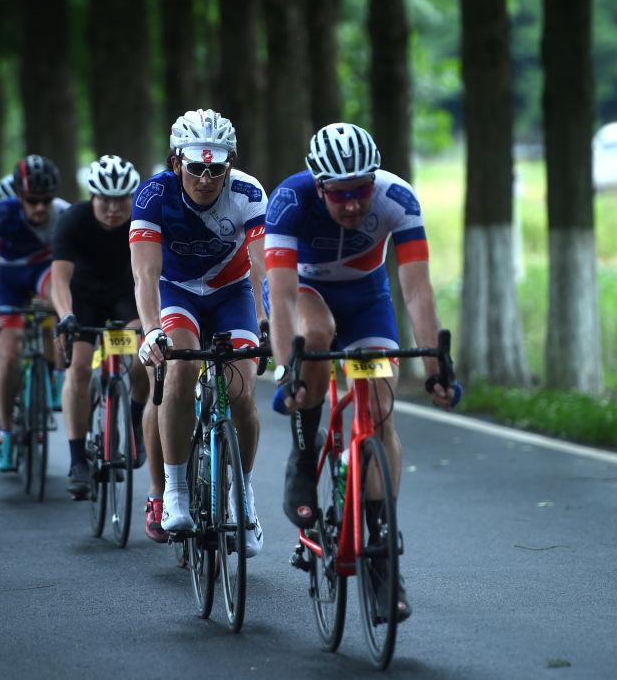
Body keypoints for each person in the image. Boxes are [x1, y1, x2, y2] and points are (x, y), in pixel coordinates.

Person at [264, 122, 460, 620]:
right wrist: (288, 369)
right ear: (319, 186)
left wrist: (436, 369)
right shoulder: (289, 200)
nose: (353, 205)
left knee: (380, 409)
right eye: (340, 194)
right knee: (317, 332)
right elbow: (281, 297)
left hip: (367, 299)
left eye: (361, 191)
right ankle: (304, 457)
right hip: (306, 292)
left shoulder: (398, 199)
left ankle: (381, 549)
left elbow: (417, 291)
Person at [131, 109, 268, 557]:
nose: (206, 179)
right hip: (177, 292)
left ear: (230, 165)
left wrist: (267, 323)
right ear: (176, 162)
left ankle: (243, 498)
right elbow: (145, 275)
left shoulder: (248, 193)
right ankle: (174, 490)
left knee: (242, 390)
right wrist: (152, 331)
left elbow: (263, 269)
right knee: (179, 369)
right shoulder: (153, 195)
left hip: (232, 294)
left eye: (216, 169)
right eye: (195, 167)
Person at [50, 155, 162, 517]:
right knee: (80, 368)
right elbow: (59, 279)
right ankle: (77, 461)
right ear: (91, 196)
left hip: (126, 298)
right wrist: (66, 315)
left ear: (132, 197)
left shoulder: (144, 218)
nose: (113, 208)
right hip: (84, 299)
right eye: (105, 200)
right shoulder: (73, 219)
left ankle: (134, 421)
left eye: (121, 199)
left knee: (142, 361)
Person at [0, 154, 70, 471]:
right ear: (19, 196)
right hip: (8, 280)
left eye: (46, 200)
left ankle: (58, 373)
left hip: (42, 273)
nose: (41, 207)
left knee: (60, 298)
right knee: (10, 353)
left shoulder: (63, 213)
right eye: (33, 200)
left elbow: (72, 270)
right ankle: (5, 433)